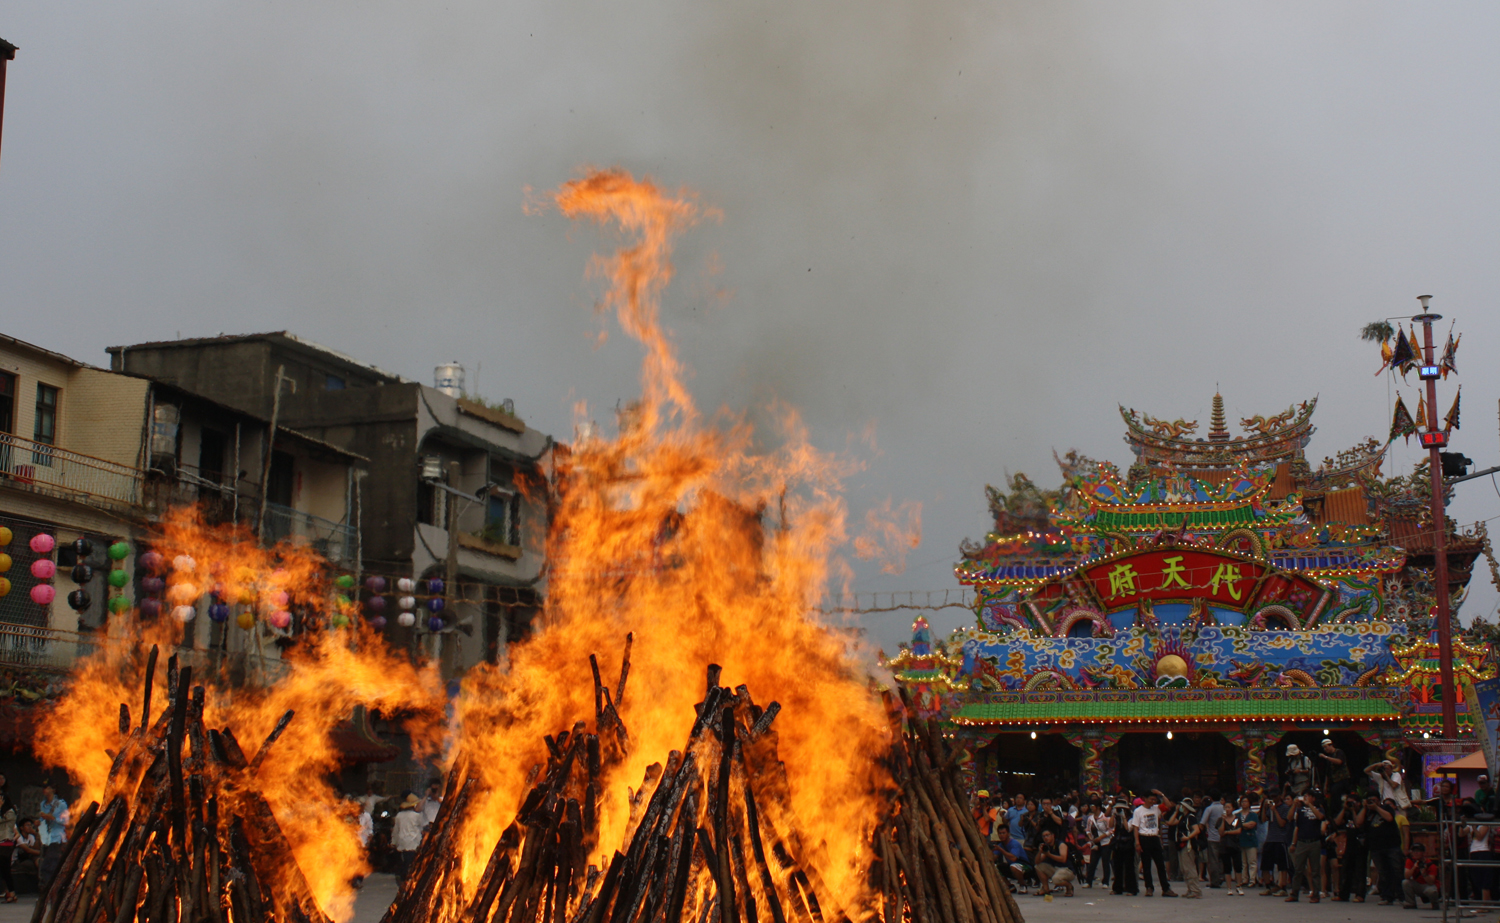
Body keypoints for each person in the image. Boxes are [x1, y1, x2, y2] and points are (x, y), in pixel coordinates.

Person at [1132, 790, 1178, 897]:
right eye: (1151, 799)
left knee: (1160, 864)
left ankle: (1166, 888)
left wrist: (1162, 794)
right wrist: (1137, 843)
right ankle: (1149, 887)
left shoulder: (1156, 808)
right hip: (1144, 838)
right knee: (1146, 865)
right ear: (1145, 799)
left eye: (1154, 799)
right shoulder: (1138, 811)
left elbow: (1169, 805)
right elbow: (1136, 827)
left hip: (1155, 838)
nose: (1153, 801)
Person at [1286, 790, 1324, 902]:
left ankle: (1316, 894)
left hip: (1314, 842)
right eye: (1305, 796)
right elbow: (1289, 818)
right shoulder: (1300, 810)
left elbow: (1321, 817)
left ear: (1313, 798)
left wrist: (1310, 805)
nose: (1305, 798)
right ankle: (1294, 894)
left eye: (1308, 796)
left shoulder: (1319, 808)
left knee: (1315, 870)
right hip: (1302, 842)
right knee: (1298, 869)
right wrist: (1294, 804)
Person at [1367, 795, 1404, 905]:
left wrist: (1377, 808)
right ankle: (1387, 896)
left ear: (1378, 800)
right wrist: (1365, 808)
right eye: (1370, 801)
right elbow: (1359, 823)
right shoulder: (1368, 812)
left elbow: (1389, 818)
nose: (1372, 803)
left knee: (1397, 870)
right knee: (1383, 873)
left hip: (1391, 845)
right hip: (1376, 847)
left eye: (1374, 800)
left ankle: (1402, 895)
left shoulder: (1386, 808)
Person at [1333, 792, 1368, 902]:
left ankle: (1360, 895)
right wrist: (1344, 809)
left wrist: (1354, 810)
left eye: (1353, 802)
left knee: (1360, 871)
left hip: (1361, 844)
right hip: (1350, 844)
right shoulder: (1347, 814)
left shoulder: (1363, 812)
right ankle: (1343, 894)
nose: (1351, 805)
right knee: (1346, 870)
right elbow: (1337, 822)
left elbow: (1358, 823)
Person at [1259, 790, 1293, 896]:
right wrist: (1264, 808)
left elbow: (1282, 823)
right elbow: (1264, 819)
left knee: (1282, 866)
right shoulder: (1270, 808)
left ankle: (1282, 887)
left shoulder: (1284, 808)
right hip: (1270, 838)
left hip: (1280, 839)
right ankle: (1268, 885)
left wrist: (1275, 811)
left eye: (1274, 796)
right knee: (1265, 865)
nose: (1273, 799)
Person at [36, 783, 68, 891]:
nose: (45, 790)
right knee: (47, 863)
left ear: (53, 789)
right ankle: (51, 888)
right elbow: (42, 819)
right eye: (43, 787)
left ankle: (50, 887)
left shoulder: (61, 804)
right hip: (46, 838)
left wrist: (53, 818)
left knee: (50, 864)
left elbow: (66, 821)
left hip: (57, 837)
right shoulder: (43, 804)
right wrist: (38, 821)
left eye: (47, 788)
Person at [1175, 797, 1204, 898]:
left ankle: (1196, 890)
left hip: (1188, 846)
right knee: (1184, 869)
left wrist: (1188, 837)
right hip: (1180, 845)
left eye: (1182, 806)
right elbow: (1170, 822)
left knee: (1189, 868)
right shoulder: (1182, 817)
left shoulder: (1191, 817)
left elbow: (1196, 830)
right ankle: (1190, 889)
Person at [1035, 829, 1076, 897]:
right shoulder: (1046, 847)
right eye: (1043, 836)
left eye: (1047, 835)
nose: (1045, 838)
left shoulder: (1061, 844)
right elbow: (1037, 862)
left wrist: (1049, 855)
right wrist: (1040, 851)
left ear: (1052, 835)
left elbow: (1063, 859)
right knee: (1038, 866)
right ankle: (1046, 888)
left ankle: (1069, 886)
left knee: (1056, 880)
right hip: (1056, 869)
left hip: (1067, 870)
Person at [391, 794, 424, 880]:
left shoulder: (399, 815)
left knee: (404, 862)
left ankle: (403, 878)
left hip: (402, 842)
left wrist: (393, 842)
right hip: (413, 842)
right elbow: (422, 827)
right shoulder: (417, 816)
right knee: (412, 862)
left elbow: (396, 830)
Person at [1111, 796, 1138, 895]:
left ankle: (1131, 889)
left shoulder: (1131, 817)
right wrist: (1114, 815)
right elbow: (1110, 826)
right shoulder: (1116, 816)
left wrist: (1123, 818)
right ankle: (1117, 888)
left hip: (1128, 844)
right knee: (1117, 867)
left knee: (1129, 867)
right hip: (1118, 843)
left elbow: (1128, 828)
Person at [1218, 792, 1244, 895]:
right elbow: (1220, 832)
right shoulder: (1221, 819)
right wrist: (1223, 822)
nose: (1227, 809)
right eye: (1226, 807)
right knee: (1227, 867)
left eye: (1229, 807)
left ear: (1233, 808)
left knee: (1238, 866)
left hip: (1235, 844)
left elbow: (1238, 830)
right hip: (1225, 845)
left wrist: (1228, 832)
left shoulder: (1237, 819)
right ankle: (1229, 888)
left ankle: (1239, 885)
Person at [1402, 841, 1440, 909]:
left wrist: (1424, 874)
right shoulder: (1410, 861)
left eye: (1418, 851)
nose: (1416, 853)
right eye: (1414, 851)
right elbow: (1406, 876)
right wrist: (1414, 868)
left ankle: (1435, 903)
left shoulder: (1430, 865)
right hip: (1418, 885)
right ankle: (1411, 903)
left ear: (1423, 853)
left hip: (1428, 885)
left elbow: (1431, 882)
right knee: (1405, 882)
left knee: (1431, 891)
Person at [1199, 790, 1225, 887]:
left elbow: (1202, 823)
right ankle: (1222, 876)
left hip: (1212, 838)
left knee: (1213, 860)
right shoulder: (1224, 808)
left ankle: (1214, 881)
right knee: (1222, 859)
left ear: (1211, 798)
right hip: (1223, 837)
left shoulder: (1209, 809)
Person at [994, 828, 1032, 894]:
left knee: (1014, 866)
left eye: (1004, 833)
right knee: (994, 867)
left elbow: (1013, 858)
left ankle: (1023, 885)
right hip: (1012, 867)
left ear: (1008, 834)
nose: (1002, 835)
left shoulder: (1015, 843)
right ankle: (1010, 886)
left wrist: (1001, 850)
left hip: (1025, 867)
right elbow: (993, 858)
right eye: (1000, 833)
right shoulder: (1000, 845)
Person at [1084, 801, 1112, 889]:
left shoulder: (1105, 817)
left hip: (1105, 842)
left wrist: (1101, 837)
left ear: (1098, 807)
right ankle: (1089, 881)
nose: (1092, 808)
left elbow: (1110, 830)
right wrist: (1090, 836)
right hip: (1095, 842)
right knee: (1092, 862)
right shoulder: (1090, 818)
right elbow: (1088, 829)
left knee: (1105, 862)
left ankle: (1106, 882)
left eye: (1093, 806)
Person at [1235, 794, 1259, 894]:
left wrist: (1242, 825)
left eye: (1245, 801)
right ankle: (1244, 879)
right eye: (1242, 802)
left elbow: (1252, 824)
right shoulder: (1237, 814)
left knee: (1252, 861)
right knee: (1243, 862)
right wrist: (1243, 825)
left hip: (1251, 839)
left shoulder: (1253, 814)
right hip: (1241, 840)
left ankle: (1252, 880)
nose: (1244, 803)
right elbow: (1234, 825)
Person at [1467, 816, 1494, 902]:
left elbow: (1480, 837)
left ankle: (1485, 903)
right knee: (1476, 878)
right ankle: (1486, 900)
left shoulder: (1484, 825)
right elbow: (1461, 833)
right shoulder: (1471, 825)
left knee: (1484, 879)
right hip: (1473, 852)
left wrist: (1474, 828)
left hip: (1483, 851)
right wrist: (1462, 825)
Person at [0, 776, 17, 903]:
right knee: (3, 869)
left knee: (5, 869)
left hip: (5, 843)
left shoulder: (10, 812)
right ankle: (8, 892)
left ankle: (11, 892)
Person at [10, 820, 38, 893]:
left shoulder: (31, 837)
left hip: (28, 858)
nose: (30, 827)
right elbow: (28, 850)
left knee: (38, 861)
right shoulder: (19, 837)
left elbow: (36, 848)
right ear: (22, 828)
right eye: (27, 825)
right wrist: (41, 853)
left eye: (31, 825)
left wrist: (36, 835)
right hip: (16, 861)